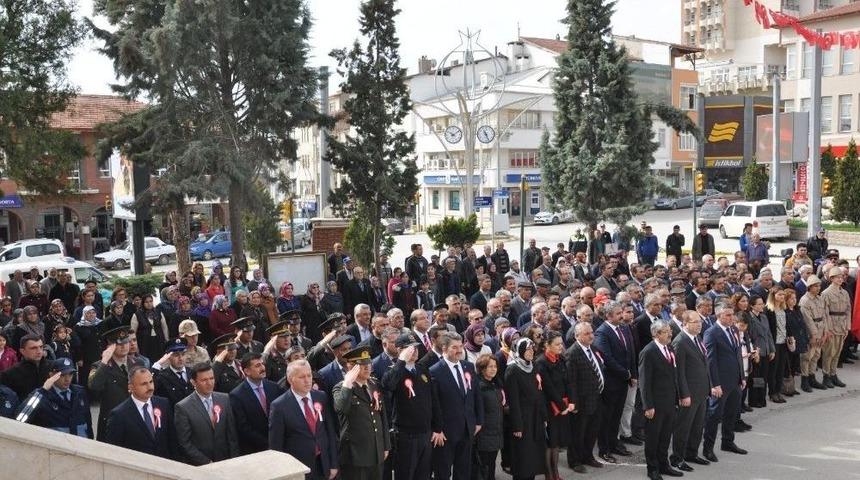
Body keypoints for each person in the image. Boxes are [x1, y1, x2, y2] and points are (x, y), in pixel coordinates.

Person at [269, 359, 339, 480]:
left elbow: (330, 432)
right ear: (290, 380)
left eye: (309, 375)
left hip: (324, 464)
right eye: (302, 377)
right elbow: (276, 445)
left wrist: (333, 463)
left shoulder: (321, 396)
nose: (307, 380)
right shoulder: (279, 406)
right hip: (299, 468)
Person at [430, 332, 484, 480]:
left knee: (464, 470)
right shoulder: (434, 371)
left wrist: (479, 420)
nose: (459, 350)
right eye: (454, 347)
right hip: (446, 432)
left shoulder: (468, 366)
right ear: (444, 348)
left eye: (461, 346)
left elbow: (476, 395)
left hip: (468, 428)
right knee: (443, 471)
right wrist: (437, 429)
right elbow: (435, 404)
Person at [333, 345, 391, 480]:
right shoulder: (342, 388)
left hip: (376, 451)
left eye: (368, 363)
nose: (367, 367)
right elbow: (341, 408)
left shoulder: (373, 384)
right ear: (350, 367)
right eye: (361, 364)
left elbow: (382, 417)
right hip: (355, 456)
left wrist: (386, 445)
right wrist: (348, 382)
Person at [702, 303, 747, 462]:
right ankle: (708, 448)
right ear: (718, 316)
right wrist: (714, 384)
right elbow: (710, 361)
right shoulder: (711, 333)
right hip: (720, 383)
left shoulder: (734, 329)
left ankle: (728, 442)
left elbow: (737, 355)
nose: (732, 317)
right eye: (727, 315)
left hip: (735, 380)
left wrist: (742, 376)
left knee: (732, 413)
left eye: (732, 314)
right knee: (714, 416)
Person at [104, 365, 178, 460]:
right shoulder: (119, 414)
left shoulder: (163, 404)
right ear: (131, 387)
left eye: (151, 382)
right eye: (143, 384)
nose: (150, 387)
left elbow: (172, 439)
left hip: (164, 465)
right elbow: (114, 450)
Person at [639, 320, 682, 480]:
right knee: (653, 437)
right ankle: (653, 468)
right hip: (655, 404)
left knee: (665, 436)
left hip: (669, 401)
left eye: (669, 330)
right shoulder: (648, 352)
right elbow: (644, 382)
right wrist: (648, 406)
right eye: (665, 331)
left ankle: (664, 464)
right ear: (656, 334)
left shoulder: (669, 348)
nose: (670, 334)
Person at [174, 362, 240, 465]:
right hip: (202, 466)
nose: (210, 383)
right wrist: (206, 462)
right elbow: (185, 443)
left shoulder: (224, 399)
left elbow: (232, 435)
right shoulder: (183, 407)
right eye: (204, 380)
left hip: (227, 462)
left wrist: (234, 460)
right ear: (193, 382)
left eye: (212, 378)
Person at [594, 301, 635, 464]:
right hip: (611, 382)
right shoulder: (602, 332)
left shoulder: (623, 328)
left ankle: (614, 443)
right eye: (618, 313)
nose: (622, 315)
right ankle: (604, 449)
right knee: (607, 417)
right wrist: (626, 373)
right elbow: (607, 358)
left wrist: (631, 373)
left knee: (616, 415)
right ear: (609, 316)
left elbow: (630, 352)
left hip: (623, 380)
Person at [670, 311, 711, 471]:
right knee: (683, 427)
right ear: (685, 324)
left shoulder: (697, 338)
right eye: (695, 322)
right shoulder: (680, 342)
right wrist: (683, 394)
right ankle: (677, 457)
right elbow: (679, 372)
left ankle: (691, 453)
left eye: (700, 321)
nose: (699, 324)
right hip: (689, 393)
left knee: (697, 425)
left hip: (701, 391)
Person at [565, 322, 605, 473]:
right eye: (587, 334)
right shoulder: (572, 353)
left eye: (591, 332)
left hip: (596, 398)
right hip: (581, 401)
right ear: (577, 336)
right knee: (578, 432)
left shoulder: (593, 349)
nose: (591, 336)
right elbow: (571, 381)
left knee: (592, 431)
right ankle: (574, 461)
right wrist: (573, 403)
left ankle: (587, 456)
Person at [18, 357, 93, 438]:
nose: (67, 379)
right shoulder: (42, 395)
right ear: (51, 375)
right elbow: (20, 418)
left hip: (80, 445)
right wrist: (42, 391)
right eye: (62, 375)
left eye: (70, 374)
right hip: (56, 447)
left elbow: (88, 422)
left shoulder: (79, 392)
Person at [504, 338, 546, 480]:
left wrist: (543, 416)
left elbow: (539, 393)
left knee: (533, 458)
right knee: (523, 458)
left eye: (532, 349)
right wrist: (517, 426)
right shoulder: (513, 370)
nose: (531, 352)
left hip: (535, 417)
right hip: (522, 419)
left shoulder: (532, 366)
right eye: (527, 349)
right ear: (520, 351)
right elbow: (513, 401)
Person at [88, 326, 139, 441]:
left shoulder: (137, 363)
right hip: (112, 421)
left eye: (125, 342)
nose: (124, 346)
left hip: (135, 420)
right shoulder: (100, 366)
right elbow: (94, 386)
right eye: (118, 343)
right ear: (110, 346)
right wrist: (104, 360)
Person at [534, 331, 572, 479]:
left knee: (555, 442)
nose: (561, 347)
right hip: (549, 407)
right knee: (549, 442)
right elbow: (549, 388)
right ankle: (549, 474)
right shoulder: (541, 362)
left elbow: (567, 381)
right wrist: (562, 406)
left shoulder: (560, 359)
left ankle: (555, 472)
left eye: (561, 343)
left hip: (561, 406)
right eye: (557, 344)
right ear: (546, 345)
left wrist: (570, 402)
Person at [230, 352, 285, 454]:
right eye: (257, 366)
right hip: (255, 450)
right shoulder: (237, 395)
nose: (263, 368)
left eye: (262, 364)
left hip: (279, 444)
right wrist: (267, 443)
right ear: (247, 371)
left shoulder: (274, 387)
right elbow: (243, 428)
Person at [821, 267, 850, 388]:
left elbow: (848, 310)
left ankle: (833, 374)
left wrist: (848, 326)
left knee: (837, 352)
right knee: (829, 352)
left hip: (842, 325)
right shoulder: (826, 293)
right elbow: (824, 313)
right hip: (831, 325)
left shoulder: (844, 293)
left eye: (841, 277)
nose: (840, 279)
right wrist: (827, 329)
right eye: (837, 277)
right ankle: (826, 376)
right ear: (831, 278)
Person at [0, 334, 50, 401]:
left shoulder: (52, 367)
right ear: (22, 351)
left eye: (41, 347)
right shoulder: (9, 374)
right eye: (33, 348)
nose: (39, 351)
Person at [799, 275, 827, 390]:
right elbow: (807, 319)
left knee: (816, 355)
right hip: (811, 332)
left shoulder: (819, 299)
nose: (818, 288)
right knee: (807, 357)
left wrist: (825, 332)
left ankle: (812, 377)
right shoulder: (805, 300)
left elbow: (824, 315)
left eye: (819, 285)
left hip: (820, 329)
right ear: (809, 287)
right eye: (815, 286)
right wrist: (814, 335)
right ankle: (804, 380)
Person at [152, 338, 195, 407]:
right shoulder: (162, 376)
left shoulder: (193, 372)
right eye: (176, 355)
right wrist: (158, 364)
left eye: (183, 354)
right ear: (168, 357)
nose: (180, 358)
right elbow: (150, 389)